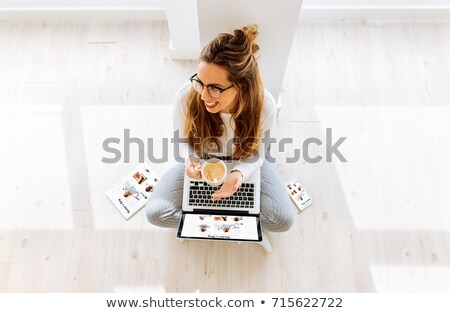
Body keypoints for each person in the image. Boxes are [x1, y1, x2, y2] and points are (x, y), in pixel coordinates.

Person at [145, 24, 294, 232]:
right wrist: (192, 160)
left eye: (214, 88)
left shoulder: (265, 105)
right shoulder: (185, 97)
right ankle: (221, 225)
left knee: (282, 220)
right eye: (200, 82)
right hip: (204, 159)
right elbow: (181, 143)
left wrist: (240, 173)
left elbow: (258, 154)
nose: (203, 96)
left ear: (241, 86)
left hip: (246, 159)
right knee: (156, 212)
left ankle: (218, 221)